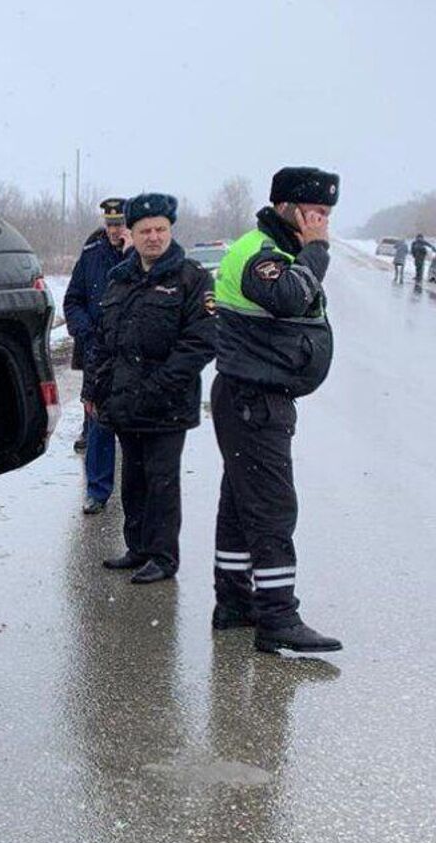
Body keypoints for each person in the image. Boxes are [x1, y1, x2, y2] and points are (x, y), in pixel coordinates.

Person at [210, 166, 341, 654]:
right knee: (271, 508)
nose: (323, 222)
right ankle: (278, 617)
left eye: (327, 214)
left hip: (253, 398)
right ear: (288, 207)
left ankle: (234, 602)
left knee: (241, 506)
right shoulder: (261, 255)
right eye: (316, 212)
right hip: (253, 400)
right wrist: (318, 250)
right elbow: (288, 297)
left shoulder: (279, 250)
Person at [83, 193, 215, 583]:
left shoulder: (191, 278)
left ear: (170, 231)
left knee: (161, 482)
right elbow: (105, 342)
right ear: (132, 234)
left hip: (166, 405)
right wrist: (95, 390)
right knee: (133, 480)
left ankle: (163, 555)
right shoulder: (120, 279)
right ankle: (137, 547)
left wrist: (156, 388)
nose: (153, 237)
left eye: (160, 230)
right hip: (124, 402)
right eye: (145, 231)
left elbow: (200, 343)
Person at [64, 197, 129, 514]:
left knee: (133, 429)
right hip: (98, 353)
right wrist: (85, 332)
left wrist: (130, 253)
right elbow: (73, 300)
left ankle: (137, 494)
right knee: (99, 426)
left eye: (120, 224)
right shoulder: (91, 255)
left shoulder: (142, 254)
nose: (115, 230)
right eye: (111, 224)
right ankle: (97, 491)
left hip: (133, 355)